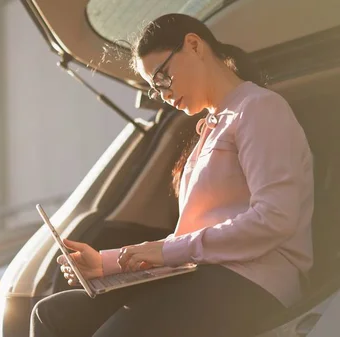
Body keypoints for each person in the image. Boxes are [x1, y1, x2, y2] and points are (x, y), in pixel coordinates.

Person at [30, 13, 314, 337]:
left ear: (194, 46)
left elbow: (276, 218)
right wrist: (105, 263)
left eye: (162, 77)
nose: (161, 93)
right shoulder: (212, 127)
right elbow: (194, 241)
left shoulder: (259, 108)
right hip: (200, 276)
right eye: (153, 88)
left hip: (255, 281)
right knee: (50, 315)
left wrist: (165, 251)